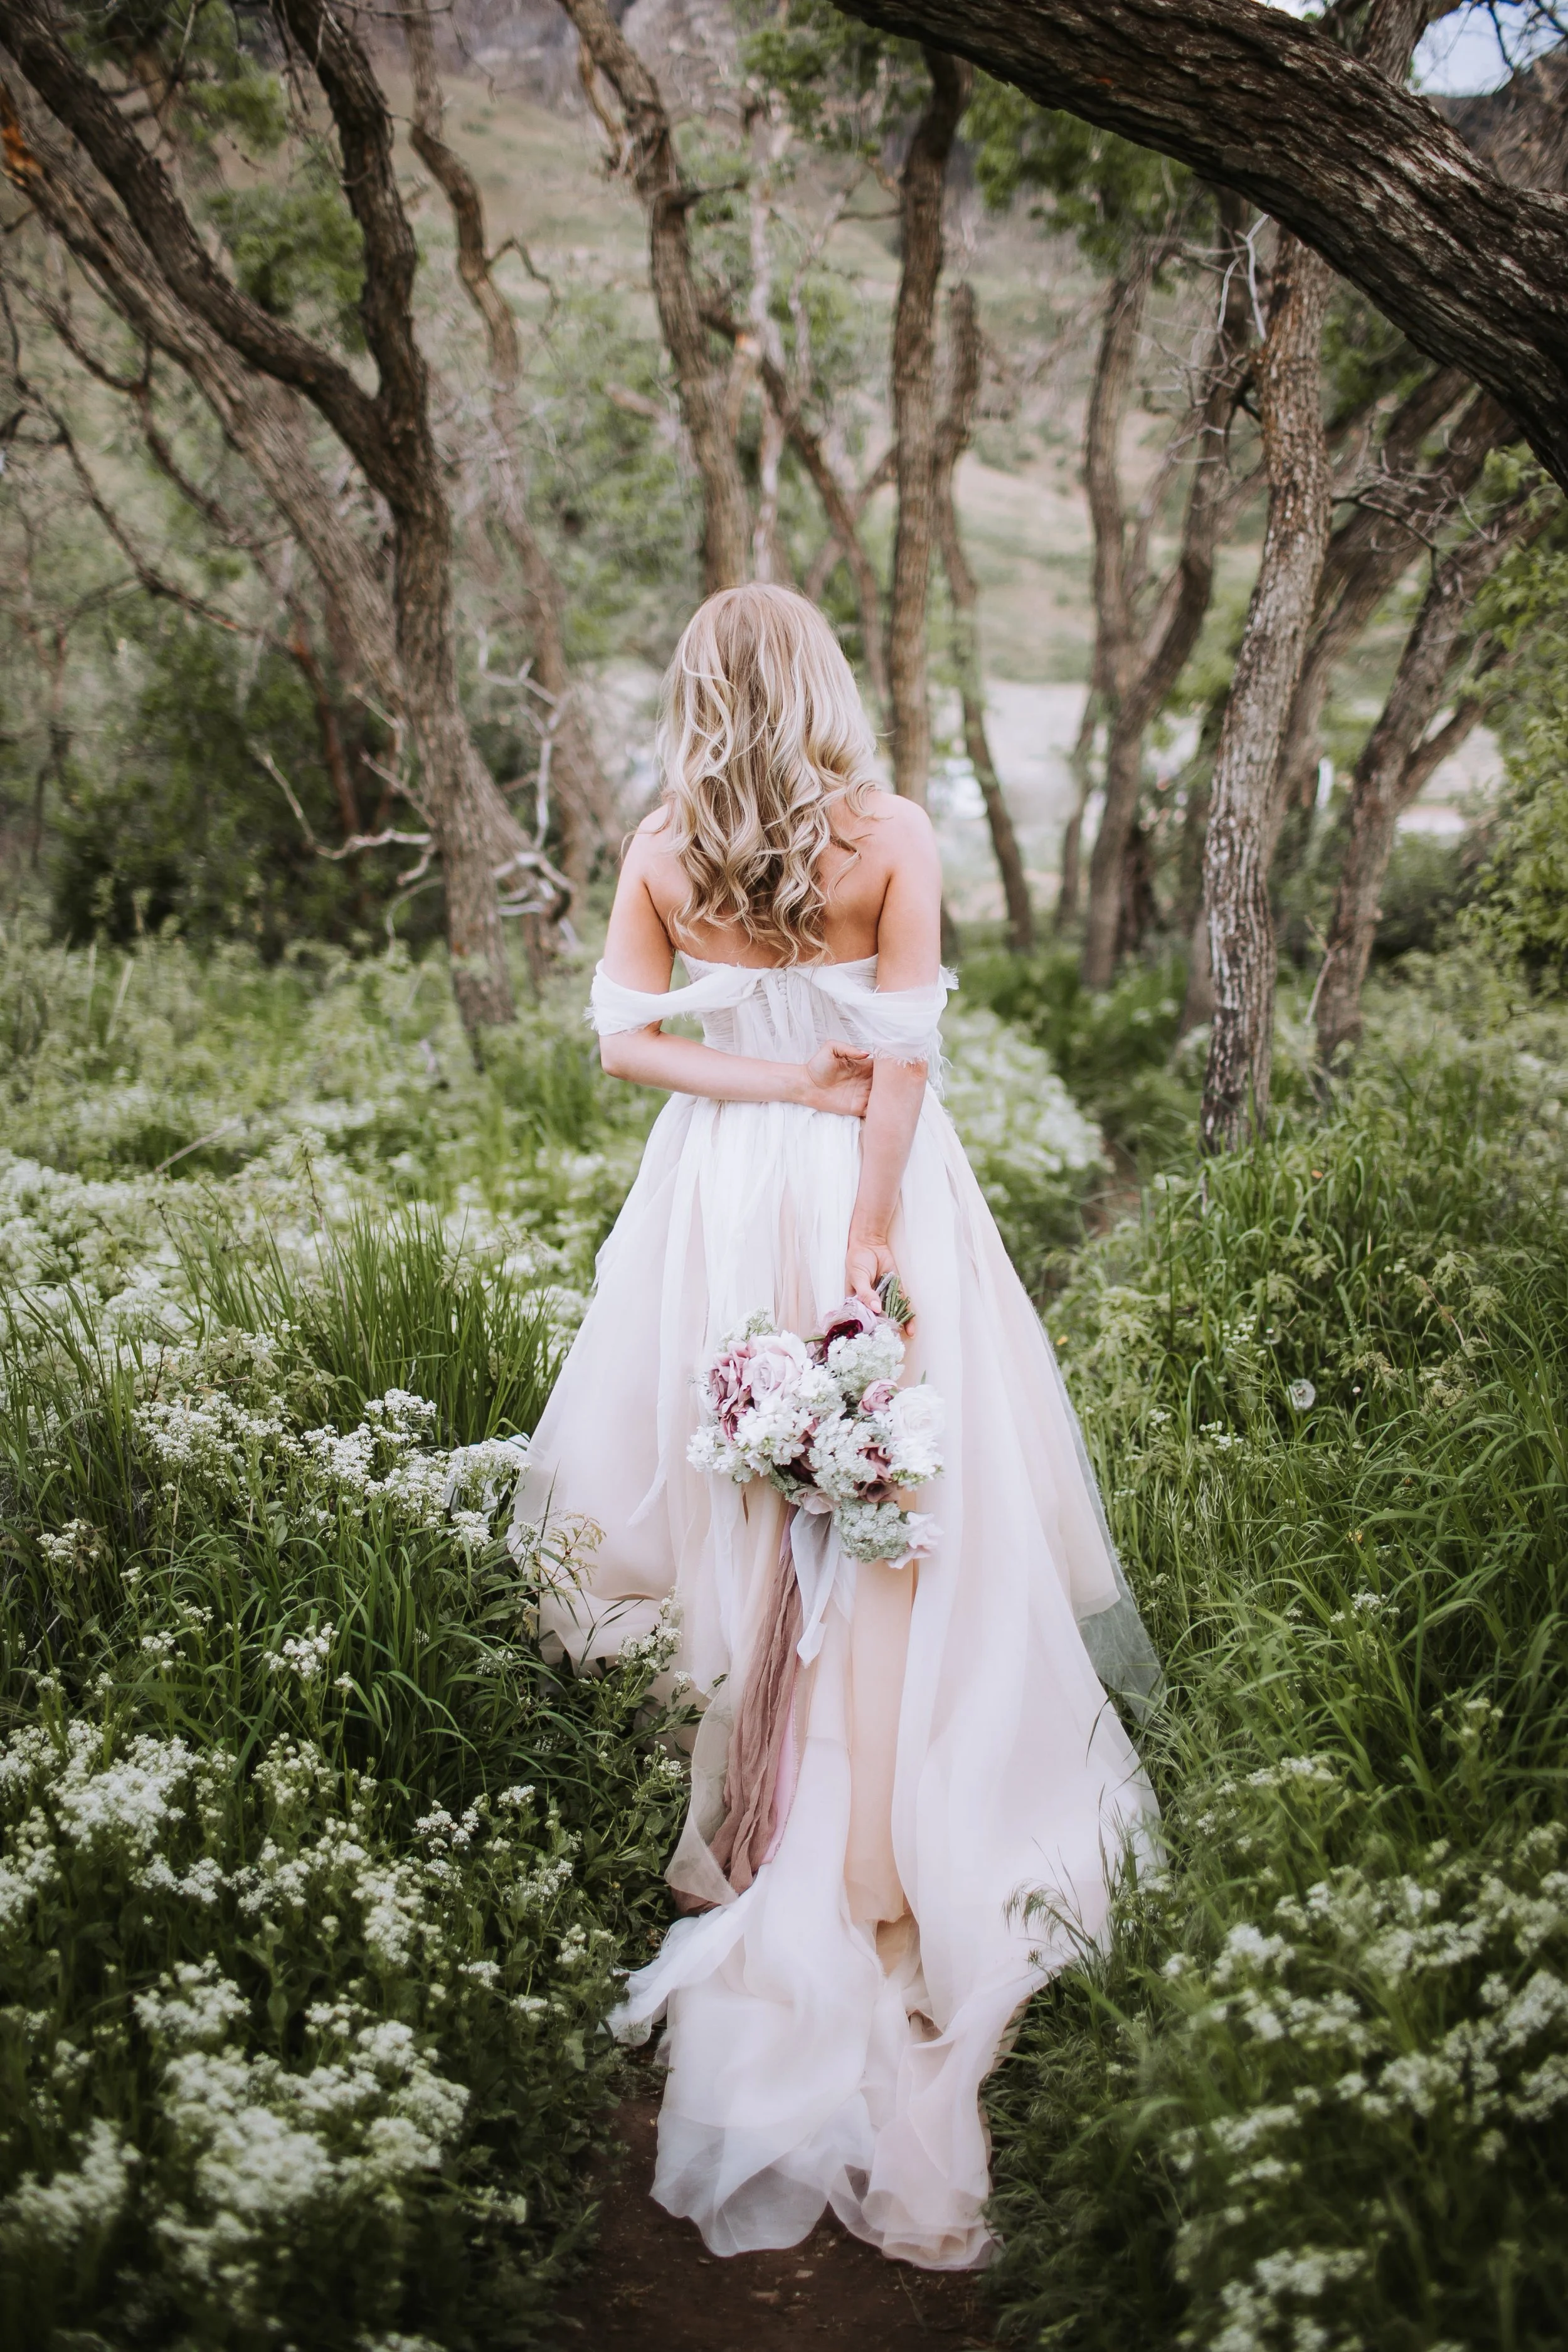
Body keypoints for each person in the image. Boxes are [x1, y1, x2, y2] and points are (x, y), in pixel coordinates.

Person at [511, 583, 1158, 2272]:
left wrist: (762, 1090)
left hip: (720, 1193)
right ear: (819, 685)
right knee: (889, 1467)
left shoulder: (665, 844)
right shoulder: (889, 836)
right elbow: (903, 1065)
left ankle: (761, 1757)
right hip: (872, 1178)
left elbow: (625, 1045)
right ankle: (858, 1793)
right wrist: (871, 1240)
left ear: (692, 694)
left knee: (740, 1464)